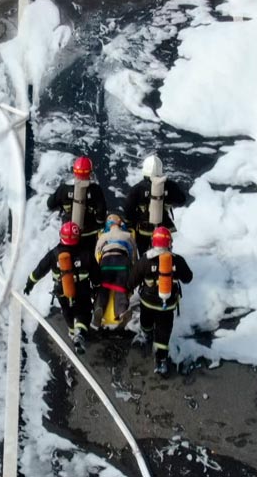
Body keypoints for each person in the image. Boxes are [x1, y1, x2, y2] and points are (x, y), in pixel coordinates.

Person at [24, 222, 101, 354]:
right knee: (84, 312)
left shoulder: (54, 254)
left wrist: (30, 283)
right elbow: (96, 276)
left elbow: (40, 269)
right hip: (82, 292)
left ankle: (72, 331)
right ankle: (80, 332)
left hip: (62, 292)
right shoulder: (86, 254)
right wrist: (97, 288)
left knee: (67, 311)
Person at [127, 227, 193, 375]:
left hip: (147, 303)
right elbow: (188, 278)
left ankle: (146, 335)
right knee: (163, 332)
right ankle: (161, 360)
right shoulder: (177, 260)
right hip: (167, 306)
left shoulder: (145, 260)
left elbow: (131, 280)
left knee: (146, 321)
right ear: (169, 243)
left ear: (153, 243)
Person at [123, 155, 186, 253]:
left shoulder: (137, 189)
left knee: (144, 255)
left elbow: (128, 209)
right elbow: (182, 200)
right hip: (163, 229)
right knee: (164, 252)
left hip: (143, 230)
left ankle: (146, 266)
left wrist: (132, 223)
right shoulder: (170, 186)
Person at [47, 156, 107, 252]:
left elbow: (50, 204)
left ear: (74, 171)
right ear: (90, 172)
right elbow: (101, 212)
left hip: (69, 235)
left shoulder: (64, 188)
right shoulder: (95, 190)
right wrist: (100, 225)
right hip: (89, 234)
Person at [92, 214, 139, 330]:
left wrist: (98, 269)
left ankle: (99, 308)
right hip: (122, 262)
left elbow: (97, 253)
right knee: (120, 289)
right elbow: (134, 255)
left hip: (106, 263)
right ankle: (122, 312)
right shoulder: (128, 235)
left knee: (103, 289)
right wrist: (132, 268)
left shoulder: (103, 236)